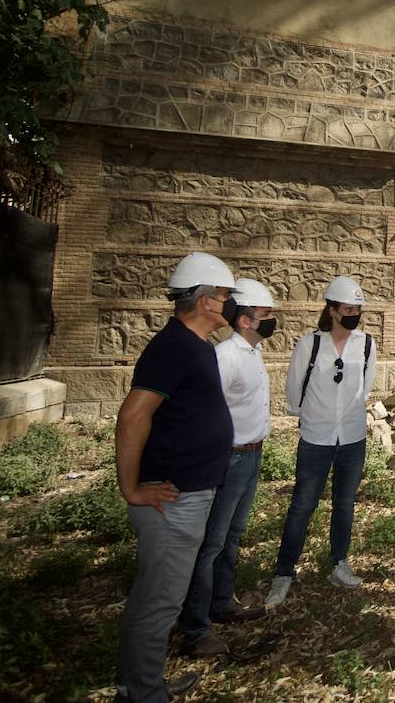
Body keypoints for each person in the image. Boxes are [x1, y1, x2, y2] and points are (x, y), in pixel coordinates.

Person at [114, 252, 239, 701]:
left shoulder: (191, 346)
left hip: (188, 493)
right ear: (206, 301)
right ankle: (144, 695)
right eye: (225, 295)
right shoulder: (174, 347)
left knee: (154, 595)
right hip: (172, 498)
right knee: (161, 601)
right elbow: (133, 416)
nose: (230, 304)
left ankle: (139, 684)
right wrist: (130, 488)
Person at [176, 277, 277, 657]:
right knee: (211, 542)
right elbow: (203, 411)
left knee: (231, 535)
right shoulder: (227, 356)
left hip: (251, 455)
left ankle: (222, 603)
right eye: (266, 315)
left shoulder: (252, 352)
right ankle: (195, 626)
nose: (271, 321)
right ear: (246, 320)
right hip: (230, 456)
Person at [265, 275, 376, 607]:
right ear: (331, 310)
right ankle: (284, 572)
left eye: (358, 308)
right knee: (302, 505)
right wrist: (310, 415)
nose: (354, 314)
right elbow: (294, 387)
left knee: (344, 504)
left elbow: (365, 389)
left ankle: (339, 563)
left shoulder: (367, 344)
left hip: (353, 438)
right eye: (347, 308)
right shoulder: (309, 344)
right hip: (316, 438)